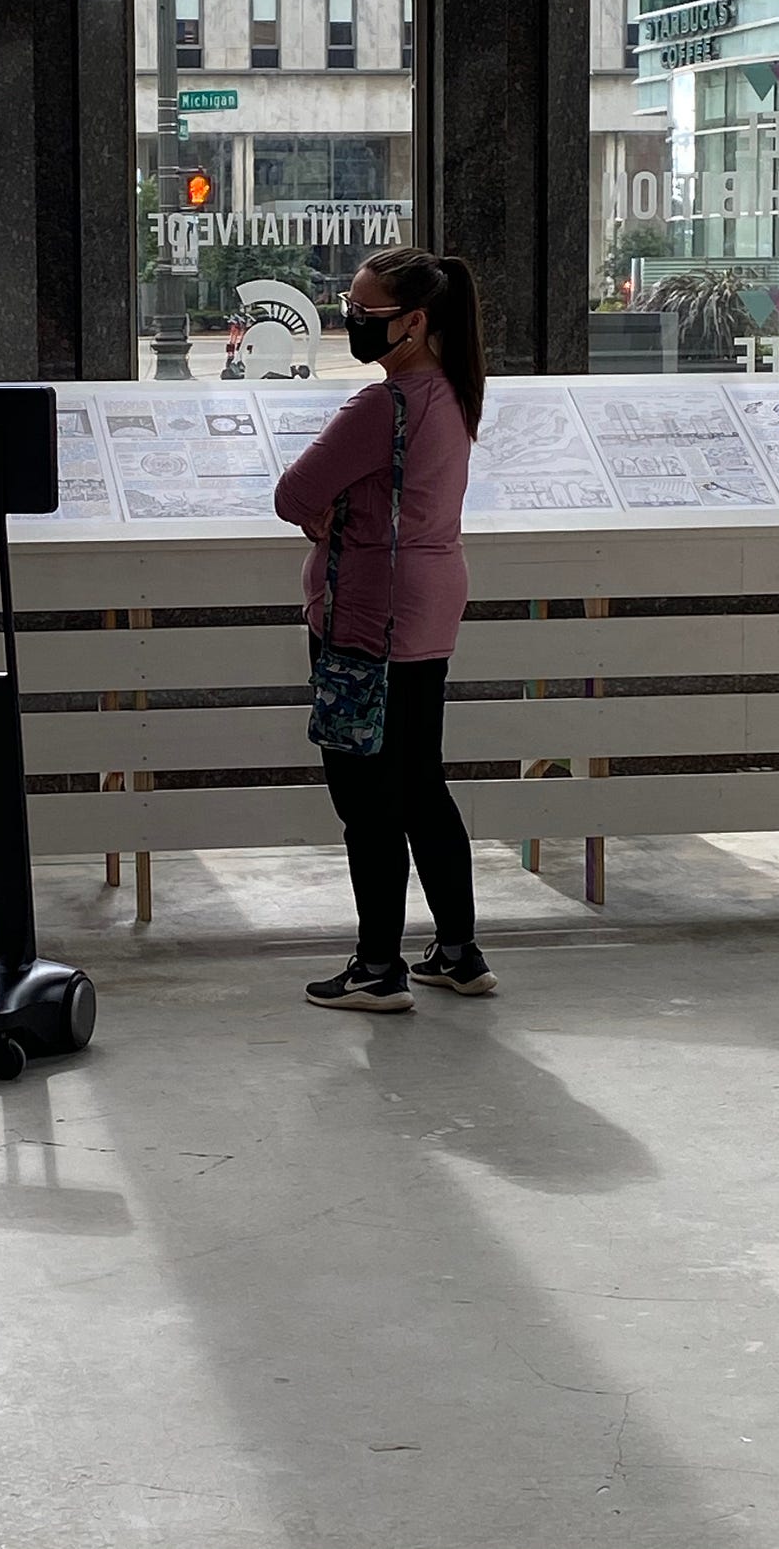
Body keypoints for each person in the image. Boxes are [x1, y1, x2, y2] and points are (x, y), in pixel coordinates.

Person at [273, 248, 495, 1012]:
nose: (352, 321)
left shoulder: (382, 406)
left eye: (365, 312)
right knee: (421, 779)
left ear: (415, 320)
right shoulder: (454, 393)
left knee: (364, 795)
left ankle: (377, 967)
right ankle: (458, 952)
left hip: (368, 613)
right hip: (430, 606)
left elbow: (293, 491)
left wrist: (328, 516)